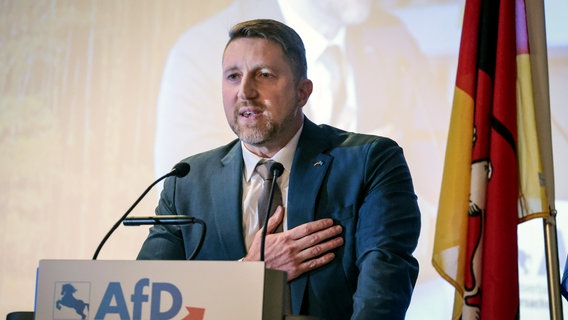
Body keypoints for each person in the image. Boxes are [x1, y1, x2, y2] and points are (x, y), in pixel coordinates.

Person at [138, 19, 421, 319]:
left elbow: (383, 293)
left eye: (264, 75)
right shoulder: (187, 181)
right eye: (233, 76)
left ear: (302, 92)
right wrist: (250, 273)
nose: (245, 92)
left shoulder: (369, 162)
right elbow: (146, 296)